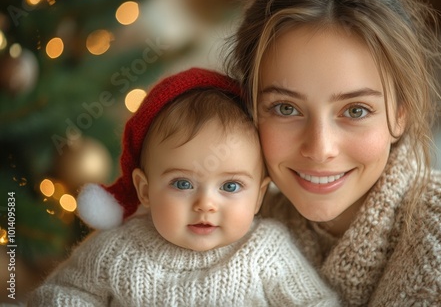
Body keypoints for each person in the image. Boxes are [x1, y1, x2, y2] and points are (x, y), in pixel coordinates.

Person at [224, 0, 441, 305]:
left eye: (355, 110)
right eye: (286, 108)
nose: (320, 148)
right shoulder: (231, 222)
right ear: (250, 110)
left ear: (401, 114)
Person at [28, 68, 340, 306]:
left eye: (230, 186)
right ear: (145, 190)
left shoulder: (266, 250)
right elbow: (61, 295)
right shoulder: (116, 249)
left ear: (259, 195)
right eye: (182, 183)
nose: (206, 204)